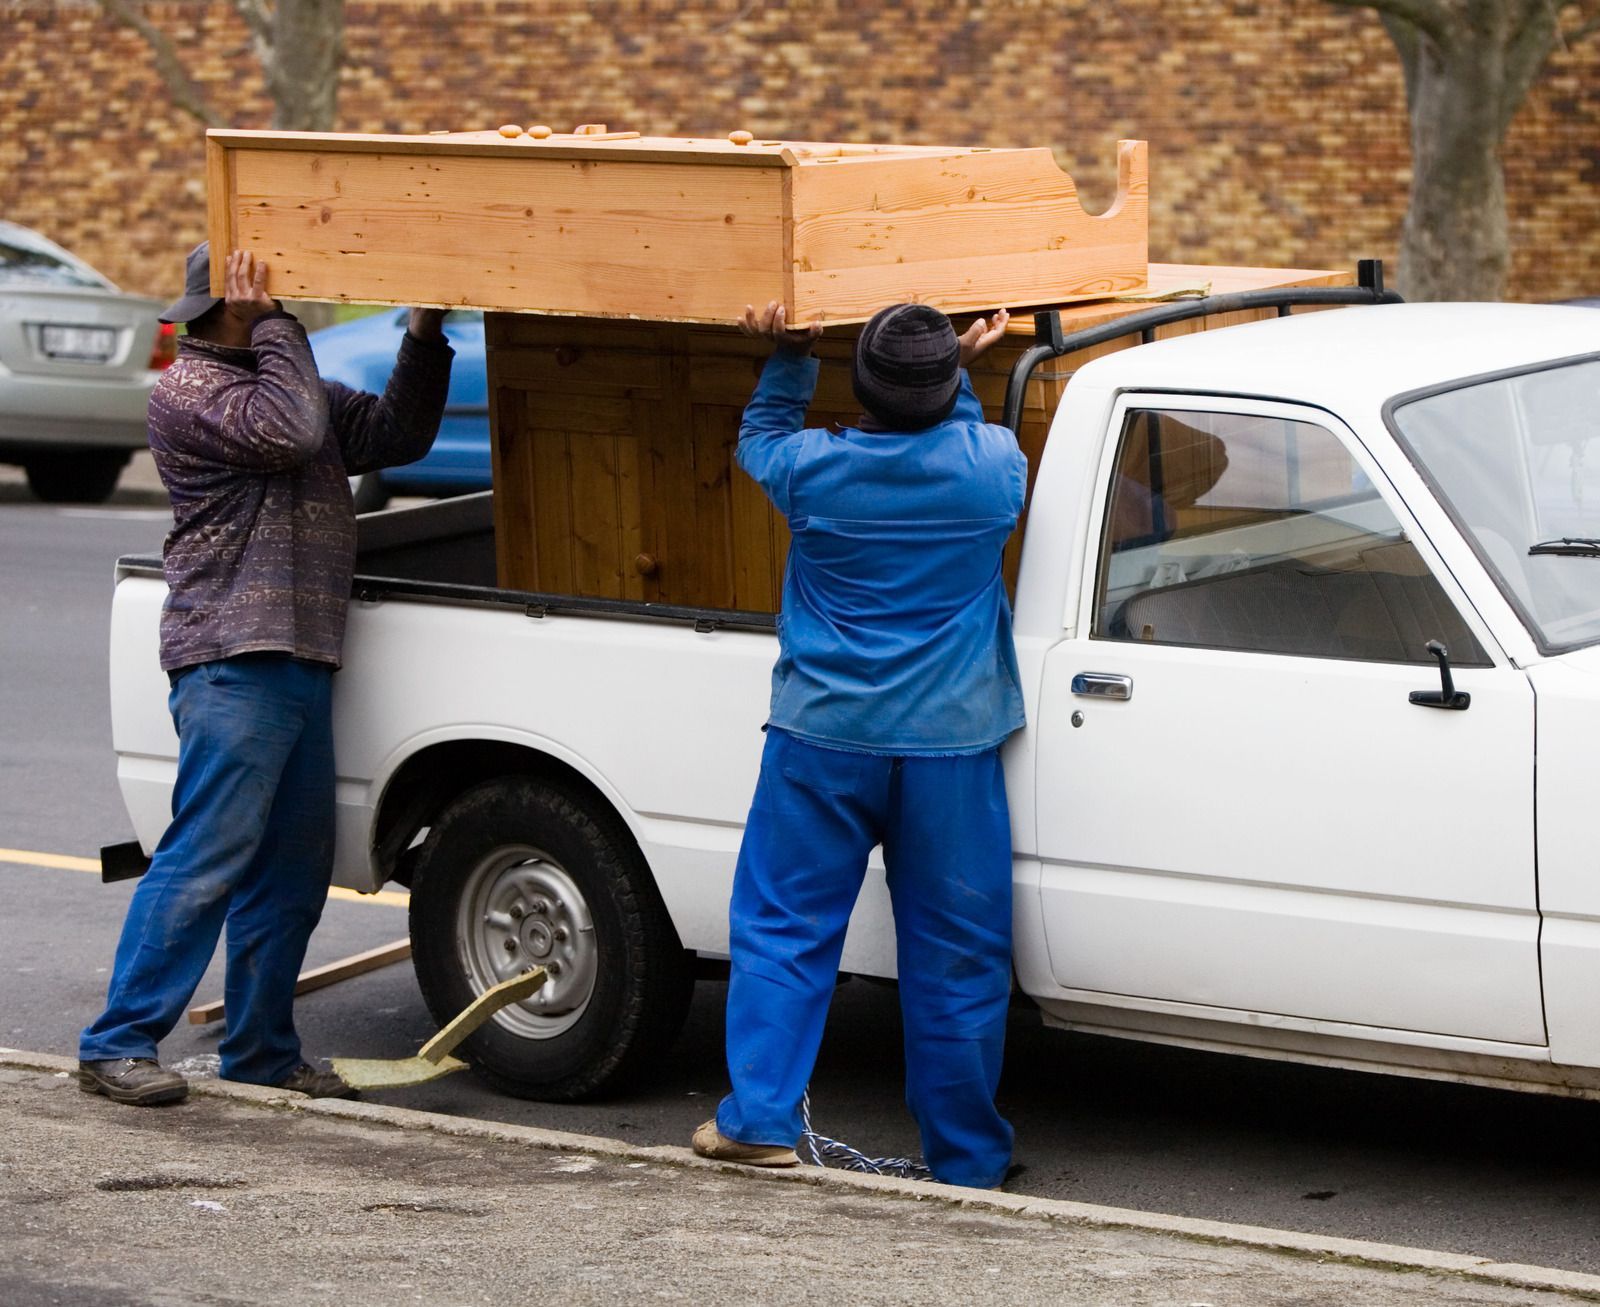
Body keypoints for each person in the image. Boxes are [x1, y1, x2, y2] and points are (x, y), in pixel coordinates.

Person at [78, 243, 455, 1106]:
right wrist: (278, 321)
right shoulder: (190, 393)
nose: (283, 302)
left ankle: (259, 1050)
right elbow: (290, 432)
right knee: (207, 855)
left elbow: (400, 434)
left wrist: (424, 333)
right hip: (231, 659)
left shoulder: (289, 393)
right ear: (228, 305)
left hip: (299, 654)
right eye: (265, 293)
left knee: (290, 870)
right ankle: (117, 1042)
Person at [692, 299, 1028, 1189]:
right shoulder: (994, 468)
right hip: (952, 747)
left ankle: (761, 1117)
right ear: (950, 389)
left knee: (783, 929)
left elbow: (759, 433)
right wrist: (949, 369)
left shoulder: (812, 471)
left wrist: (791, 353)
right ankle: (967, 1157)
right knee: (958, 954)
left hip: (821, 739)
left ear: (863, 390)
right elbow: (956, 431)